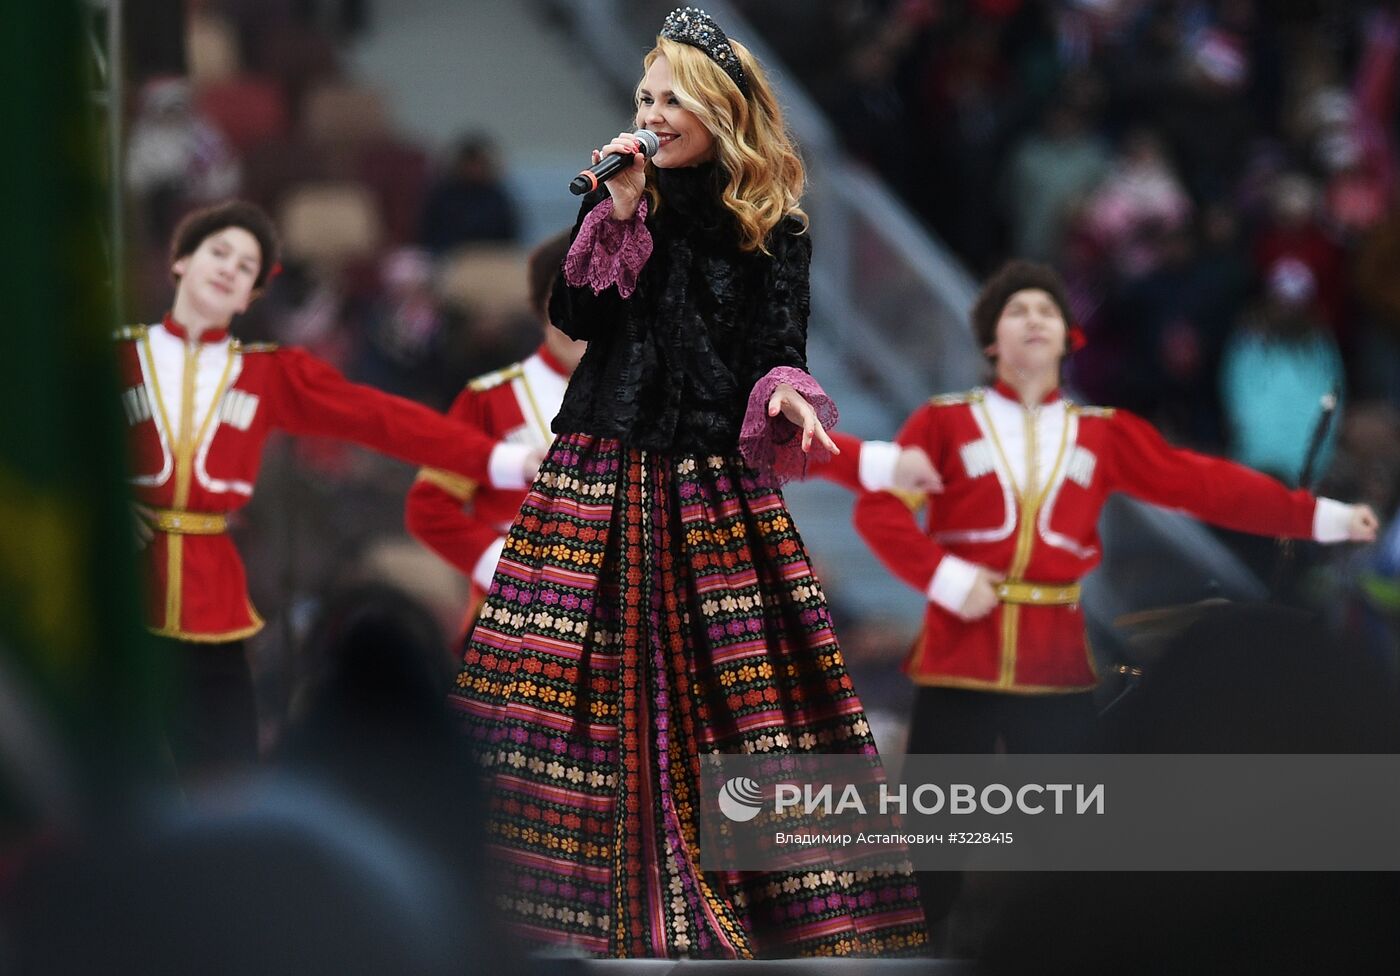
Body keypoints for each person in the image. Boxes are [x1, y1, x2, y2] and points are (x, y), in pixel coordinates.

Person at [445, 8, 927, 959]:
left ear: (716, 109)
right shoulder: (621, 200)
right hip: (602, 458)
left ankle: (751, 908)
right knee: (562, 679)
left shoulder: (772, 221)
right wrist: (617, 210)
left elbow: (775, 344)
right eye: (644, 96)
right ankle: (549, 908)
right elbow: (576, 313)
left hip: (712, 471)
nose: (651, 112)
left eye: (669, 98)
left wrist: (787, 396)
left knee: (741, 694)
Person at [854, 258, 1379, 757]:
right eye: (1018, 317)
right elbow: (879, 512)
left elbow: (1205, 484)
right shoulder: (943, 427)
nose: (1034, 331)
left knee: (1076, 834)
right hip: (961, 661)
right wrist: (944, 578)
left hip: (1053, 664)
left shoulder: (1100, 434)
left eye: (1048, 318)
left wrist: (1314, 516)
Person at [116, 200, 542, 776]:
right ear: (182, 265)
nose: (228, 272)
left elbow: (383, 419)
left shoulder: (269, 373)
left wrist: (495, 459)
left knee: (224, 772)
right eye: (219, 255)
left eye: (246, 268)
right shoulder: (120, 359)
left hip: (218, 607)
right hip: (125, 597)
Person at [407, 233, 941, 635]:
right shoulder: (489, 400)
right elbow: (429, 510)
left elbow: (772, 437)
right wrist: (502, 560)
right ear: (540, 306)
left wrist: (884, 465)